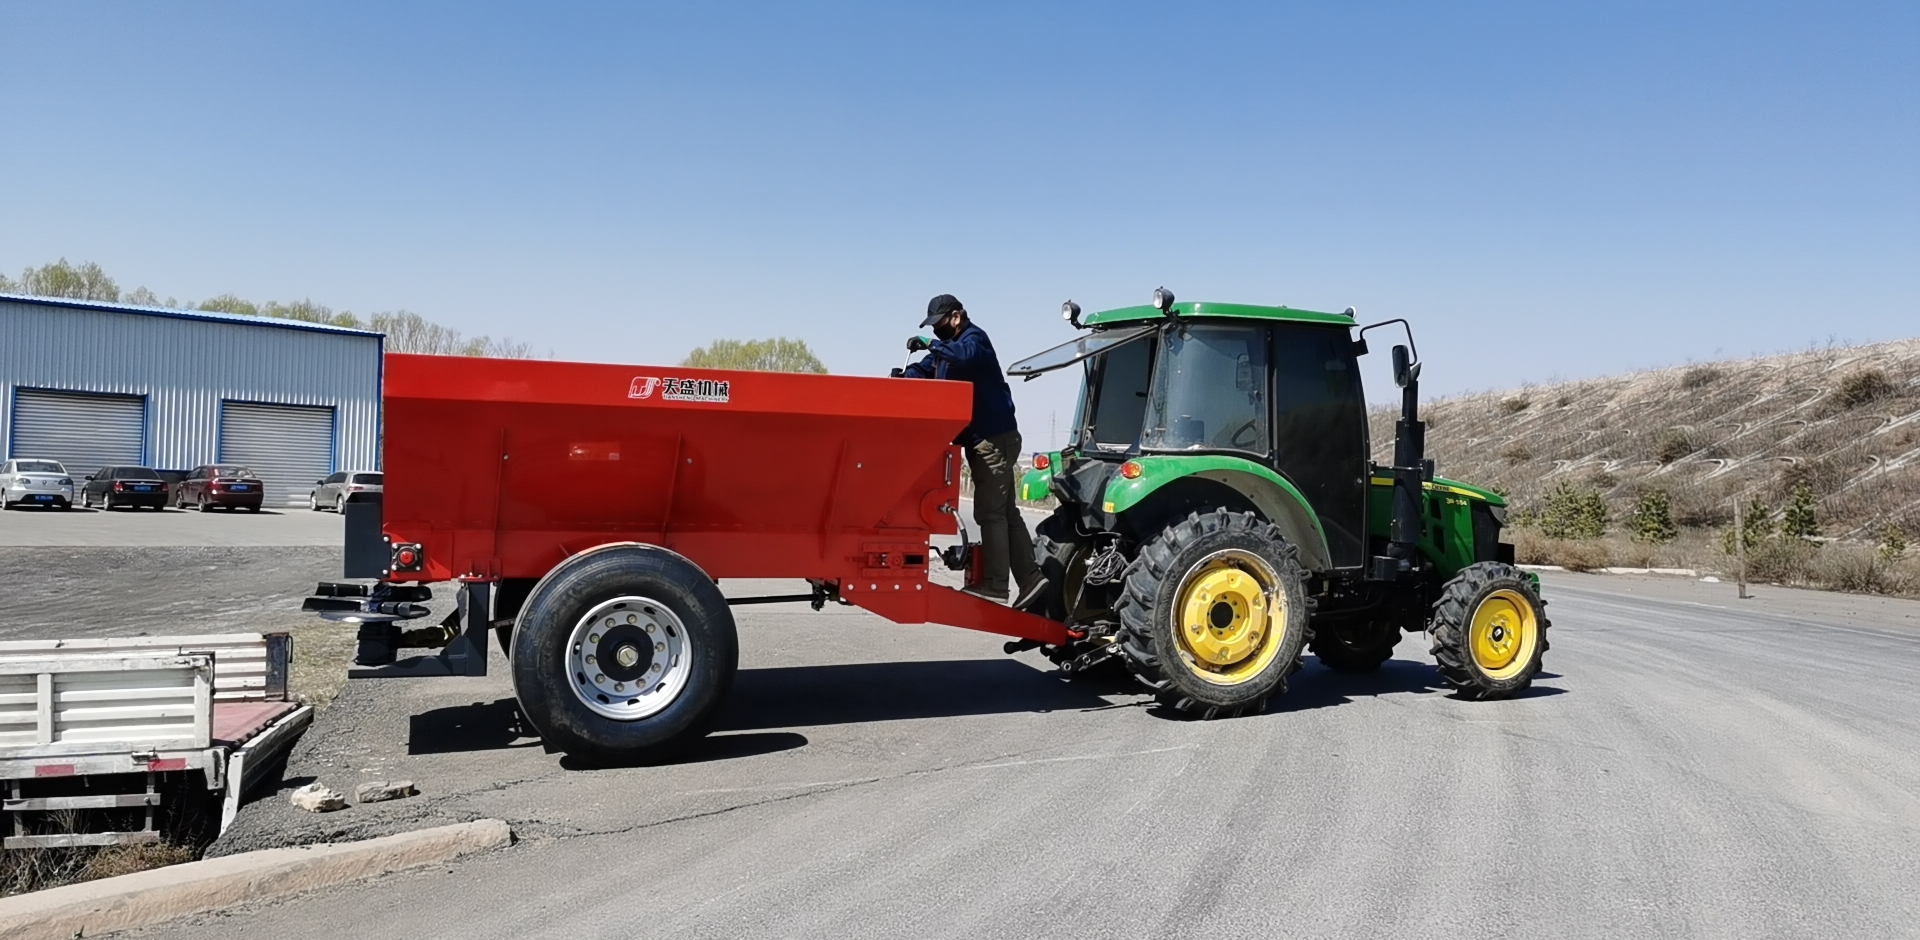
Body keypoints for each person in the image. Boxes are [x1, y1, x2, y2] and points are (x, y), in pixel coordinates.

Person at [899, 294, 1043, 603]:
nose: (936, 331)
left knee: (990, 514)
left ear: (956, 317)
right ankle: (1031, 579)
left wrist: (930, 343)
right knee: (1006, 514)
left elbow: (962, 356)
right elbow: (927, 369)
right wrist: (903, 378)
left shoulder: (974, 340)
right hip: (988, 440)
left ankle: (995, 584)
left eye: (939, 324)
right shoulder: (946, 349)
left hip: (993, 440)